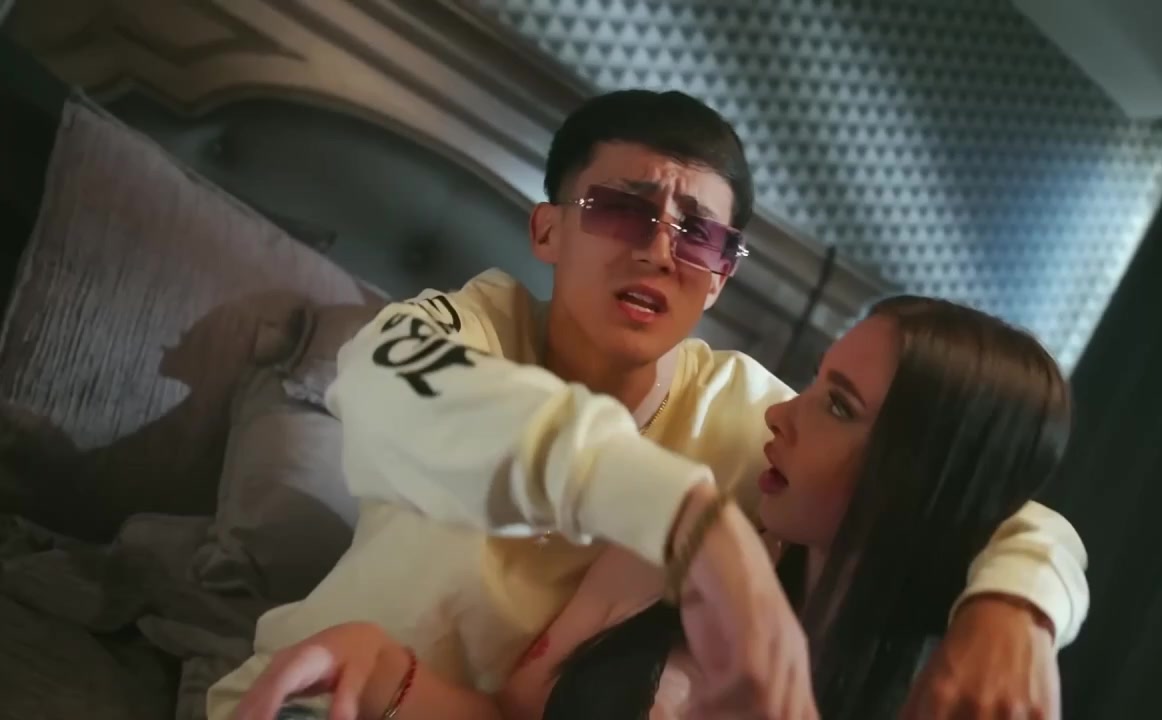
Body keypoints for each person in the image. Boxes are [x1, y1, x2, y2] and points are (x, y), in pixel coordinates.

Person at [207, 89, 1088, 720]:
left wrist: (1017, 612)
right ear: (548, 229)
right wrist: (686, 518)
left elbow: (957, 481)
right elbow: (384, 379)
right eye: (623, 211)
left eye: (698, 234)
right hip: (312, 698)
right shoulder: (454, 332)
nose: (660, 251)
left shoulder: (748, 415)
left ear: (721, 276)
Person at [233, 293, 1073, 720]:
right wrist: (385, 671)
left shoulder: (951, 686)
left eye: (838, 405)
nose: (783, 414)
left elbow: (1026, 523)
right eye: (815, 383)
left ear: (920, 476)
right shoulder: (689, 537)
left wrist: (1020, 602)